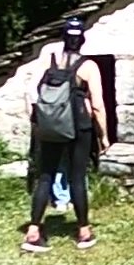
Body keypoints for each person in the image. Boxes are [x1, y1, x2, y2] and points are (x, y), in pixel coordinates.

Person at [22, 16, 107, 252]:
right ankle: (83, 232)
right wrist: (104, 136)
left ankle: (33, 232)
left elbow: (31, 93)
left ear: (63, 38)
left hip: (48, 128)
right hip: (79, 127)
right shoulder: (88, 66)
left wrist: (37, 122)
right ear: (82, 40)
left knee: (46, 176)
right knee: (76, 177)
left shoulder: (48, 61)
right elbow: (98, 105)